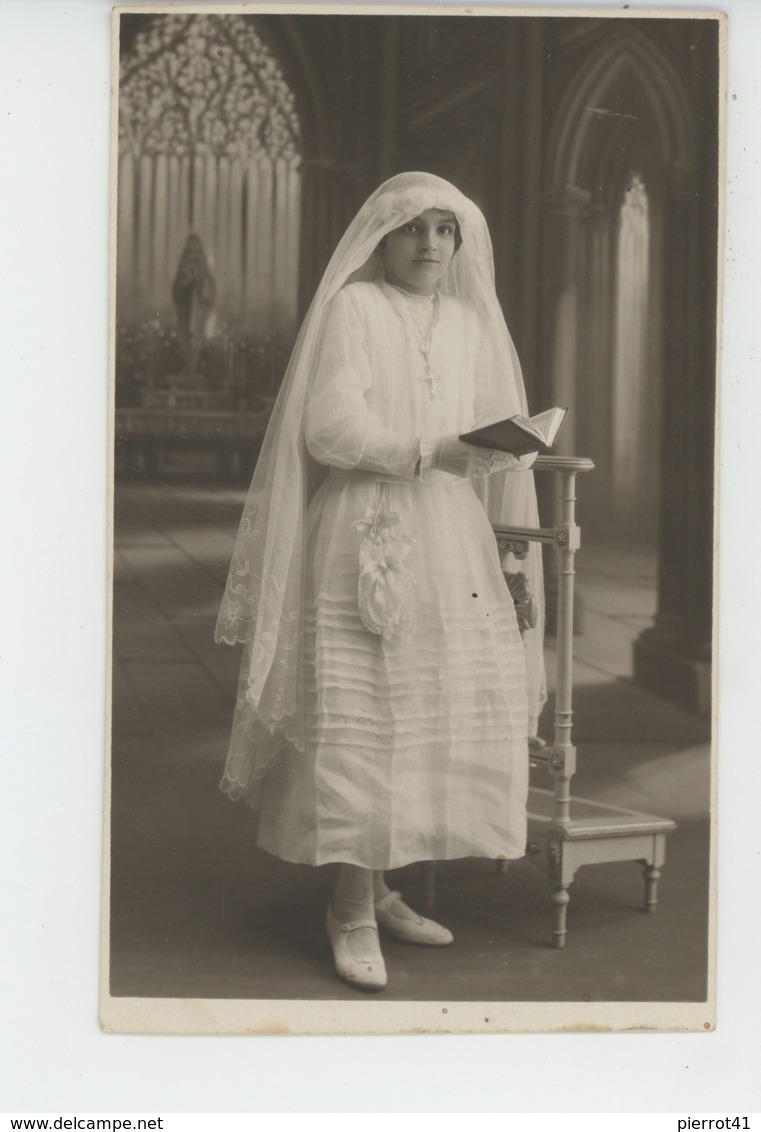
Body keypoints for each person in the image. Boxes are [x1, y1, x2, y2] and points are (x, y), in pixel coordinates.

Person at [215, 172, 546, 991]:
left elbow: (487, 423)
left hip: (448, 532)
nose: (429, 244)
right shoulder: (353, 310)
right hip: (371, 525)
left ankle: (381, 883)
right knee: (369, 708)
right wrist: (431, 451)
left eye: (443, 230)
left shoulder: (470, 321)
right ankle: (349, 905)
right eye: (411, 229)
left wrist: (508, 446)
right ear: (382, 238)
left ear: (458, 243)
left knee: (427, 710)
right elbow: (329, 427)